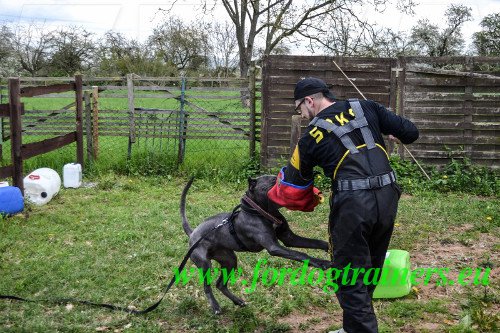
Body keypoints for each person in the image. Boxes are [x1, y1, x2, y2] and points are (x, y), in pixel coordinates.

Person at [267, 77, 419, 333]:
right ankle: (354, 327)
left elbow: (293, 185)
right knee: (371, 263)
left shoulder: (309, 138)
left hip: (353, 203)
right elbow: (410, 133)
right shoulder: (367, 106)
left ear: (309, 101)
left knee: (348, 274)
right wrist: (391, 133)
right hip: (388, 194)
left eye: (299, 109)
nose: (302, 116)